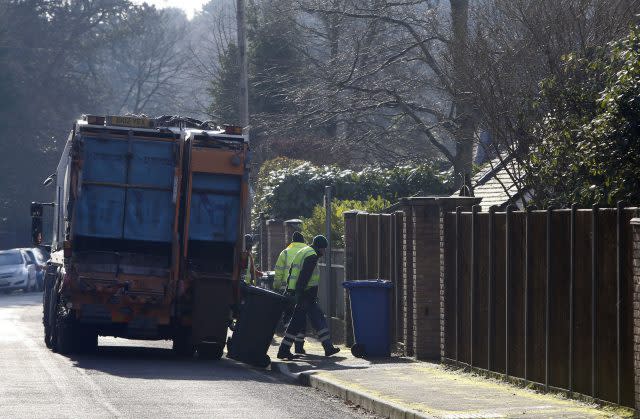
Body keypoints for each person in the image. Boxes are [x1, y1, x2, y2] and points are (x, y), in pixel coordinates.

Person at [277, 235, 340, 360]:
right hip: (305, 294)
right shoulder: (311, 256)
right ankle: (283, 350)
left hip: (305, 295)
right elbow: (304, 276)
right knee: (298, 322)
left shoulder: (304, 251)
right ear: (320, 247)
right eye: (324, 249)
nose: (324, 251)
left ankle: (328, 347)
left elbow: (292, 272)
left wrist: (291, 290)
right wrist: (299, 293)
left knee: (317, 318)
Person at [273, 231, 308, 353]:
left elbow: (278, 272)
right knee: (301, 317)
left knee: (288, 316)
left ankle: (288, 340)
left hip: (286, 290)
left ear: (292, 241)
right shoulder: (307, 251)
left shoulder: (286, 252)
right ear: (303, 240)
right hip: (303, 290)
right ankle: (299, 346)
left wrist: (276, 287)